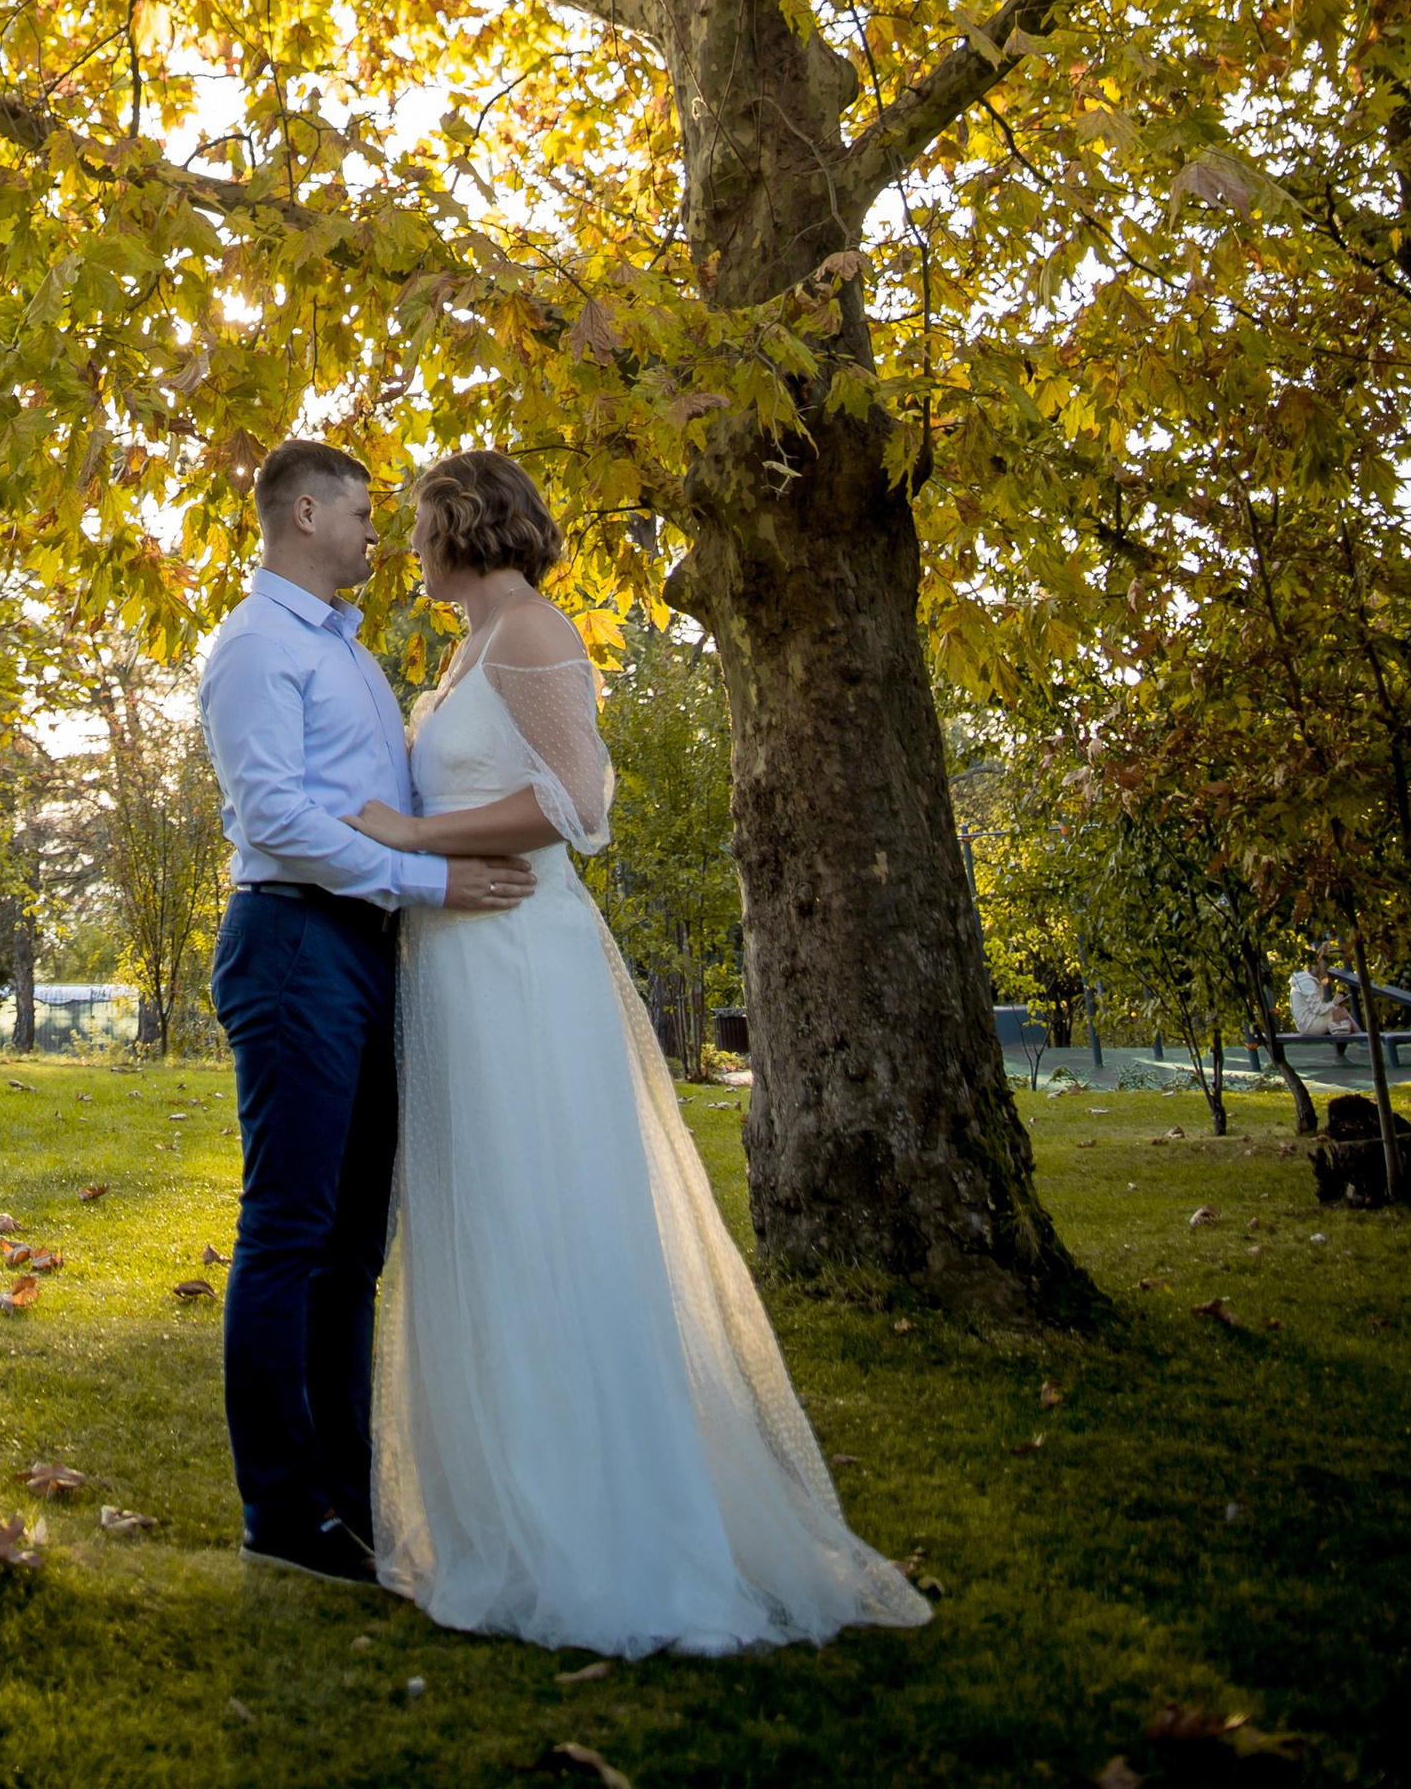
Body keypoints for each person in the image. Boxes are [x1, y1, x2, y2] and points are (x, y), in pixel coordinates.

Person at [350, 447, 933, 1657]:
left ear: (467, 524)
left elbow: (579, 803)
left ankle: (606, 1530)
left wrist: (415, 829)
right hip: (459, 966)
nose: (408, 548)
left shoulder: (531, 631)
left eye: (417, 526)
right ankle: (505, 1517)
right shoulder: (469, 644)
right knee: (485, 1223)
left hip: (522, 968)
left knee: (543, 1214)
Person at [196, 438, 534, 1588]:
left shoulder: (341, 650)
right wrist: (437, 882)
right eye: (358, 512)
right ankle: (281, 1512)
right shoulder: (253, 648)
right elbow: (279, 822)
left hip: (363, 946)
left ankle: (347, 1498)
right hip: (293, 943)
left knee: (351, 1247)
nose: (375, 532)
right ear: (302, 514)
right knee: (289, 1232)